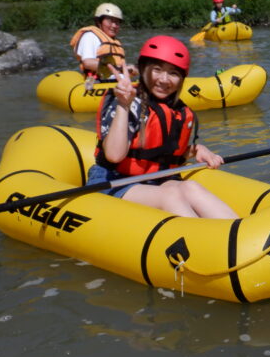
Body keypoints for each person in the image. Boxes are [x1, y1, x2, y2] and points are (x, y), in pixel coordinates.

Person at [87, 35, 238, 219]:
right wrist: (123, 104)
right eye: (157, 70)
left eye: (173, 73)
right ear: (143, 69)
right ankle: (205, 243)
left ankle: (238, 233)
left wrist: (196, 149)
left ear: (182, 79)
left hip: (155, 180)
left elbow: (160, 154)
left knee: (191, 187)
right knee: (171, 196)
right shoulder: (125, 100)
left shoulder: (178, 111)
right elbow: (114, 155)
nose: (164, 79)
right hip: (114, 181)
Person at [69, 3, 137, 80]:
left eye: (117, 22)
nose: (114, 25)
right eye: (110, 21)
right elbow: (88, 63)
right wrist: (120, 69)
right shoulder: (90, 36)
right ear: (99, 22)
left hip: (119, 83)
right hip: (96, 83)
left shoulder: (115, 42)